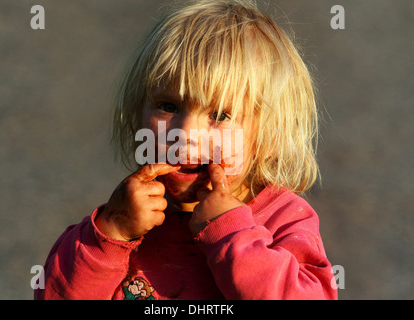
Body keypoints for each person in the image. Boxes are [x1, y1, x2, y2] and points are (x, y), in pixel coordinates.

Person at [35, 0, 338, 300]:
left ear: (269, 137)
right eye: (168, 107)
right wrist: (110, 232)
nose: (185, 134)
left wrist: (232, 235)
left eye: (219, 115)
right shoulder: (128, 217)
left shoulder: (283, 220)